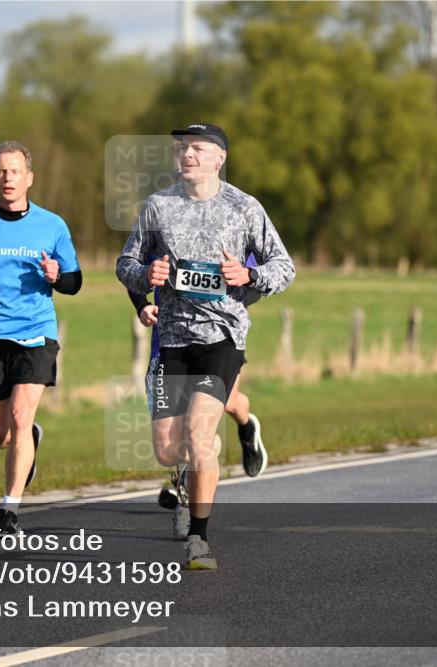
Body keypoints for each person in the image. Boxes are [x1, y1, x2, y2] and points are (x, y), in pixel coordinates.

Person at [117, 124, 294, 570]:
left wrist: (250, 277)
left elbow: (284, 266)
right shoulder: (158, 206)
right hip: (171, 337)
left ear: (219, 159)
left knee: (199, 435)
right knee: (166, 449)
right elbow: (126, 263)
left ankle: (198, 539)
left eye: (197, 148)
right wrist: (146, 278)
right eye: (182, 148)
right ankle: (236, 423)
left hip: (222, 335)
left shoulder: (244, 207)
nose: (187, 154)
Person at [0, 140, 82, 534]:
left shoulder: (52, 225)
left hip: (34, 333)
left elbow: (74, 281)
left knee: (22, 418)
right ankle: (30, 442)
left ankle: (8, 512)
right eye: (1, 171)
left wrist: (58, 277)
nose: (8, 178)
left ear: (30, 178)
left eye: (15, 171)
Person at [127, 254, 267, 541]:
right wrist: (143, 305)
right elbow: (133, 269)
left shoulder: (233, 226)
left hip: (219, 339)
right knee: (172, 445)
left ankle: (245, 426)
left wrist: (233, 286)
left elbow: (258, 283)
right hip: (169, 345)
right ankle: (186, 486)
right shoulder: (164, 224)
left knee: (218, 411)